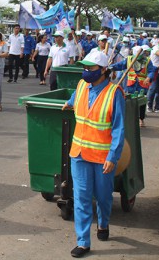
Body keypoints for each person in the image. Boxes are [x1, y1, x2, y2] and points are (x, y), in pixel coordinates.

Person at [61, 51, 125, 258]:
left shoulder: (114, 93)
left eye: (91, 68)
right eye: (85, 67)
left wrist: (113, 157)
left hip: (102, 157)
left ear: (104, 70)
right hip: (79, 153)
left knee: (104, 196)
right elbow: (75, 97)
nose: (86, 71)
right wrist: (69, 103)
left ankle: (103, 223)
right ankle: (83, 242)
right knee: (81, 198)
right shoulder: (81, 85)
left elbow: (118, 129)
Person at [111, 45, 155, 127]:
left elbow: (151, 71)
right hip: (131, 85)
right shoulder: (128, 60)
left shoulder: (148, 61)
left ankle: (141, 119)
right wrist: (111, 67)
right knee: (130, 102)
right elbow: (120, 65)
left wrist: (149, 77)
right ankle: (130, 119)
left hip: (142, 85)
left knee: (142, 103)